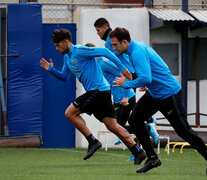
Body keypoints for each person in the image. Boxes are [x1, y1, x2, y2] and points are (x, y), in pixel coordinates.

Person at [40, 29, 147, 166]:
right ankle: (137, 150)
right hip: (101, 92)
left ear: (66, 42)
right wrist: (51, 70)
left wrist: (122, 68)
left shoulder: (79, 50)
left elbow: (105, 52)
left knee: (70, 113)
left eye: (57, 45)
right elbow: (64, 77)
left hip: (98, 90)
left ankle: (93, 141)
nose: (56, 48)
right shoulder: (67, 58)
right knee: (112, 126)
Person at [109, 27, 207, 174]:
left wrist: (127, 83)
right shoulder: (134, 49)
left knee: (184, 132)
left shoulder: (137, 52)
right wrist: (147, 83)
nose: (113, 47)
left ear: (124, 42)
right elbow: (152, 71)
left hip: (169, 94)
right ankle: (152, 158)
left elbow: (146, 77)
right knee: (135, 119)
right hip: (155, 93)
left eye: (115, 44)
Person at [85, 43, 159, 162]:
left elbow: (124, 74)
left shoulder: (104, 62)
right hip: (118, 98)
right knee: (120, 125)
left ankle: (143, 136)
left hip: (125, 97)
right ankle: (136, 148)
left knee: (118, 125)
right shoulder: (97, 64)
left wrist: (126, 96)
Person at [94, 18, 159, 145]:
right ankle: (137, 133)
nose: (97, 33)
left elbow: (114, 57)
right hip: (128, 73)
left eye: (98, 30)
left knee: (128, 114)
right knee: (130, 114)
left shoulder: (110, 40)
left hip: (127, 74)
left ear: (105, 28)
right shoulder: (110, 41)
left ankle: (145, 125)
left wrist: (126, 91)